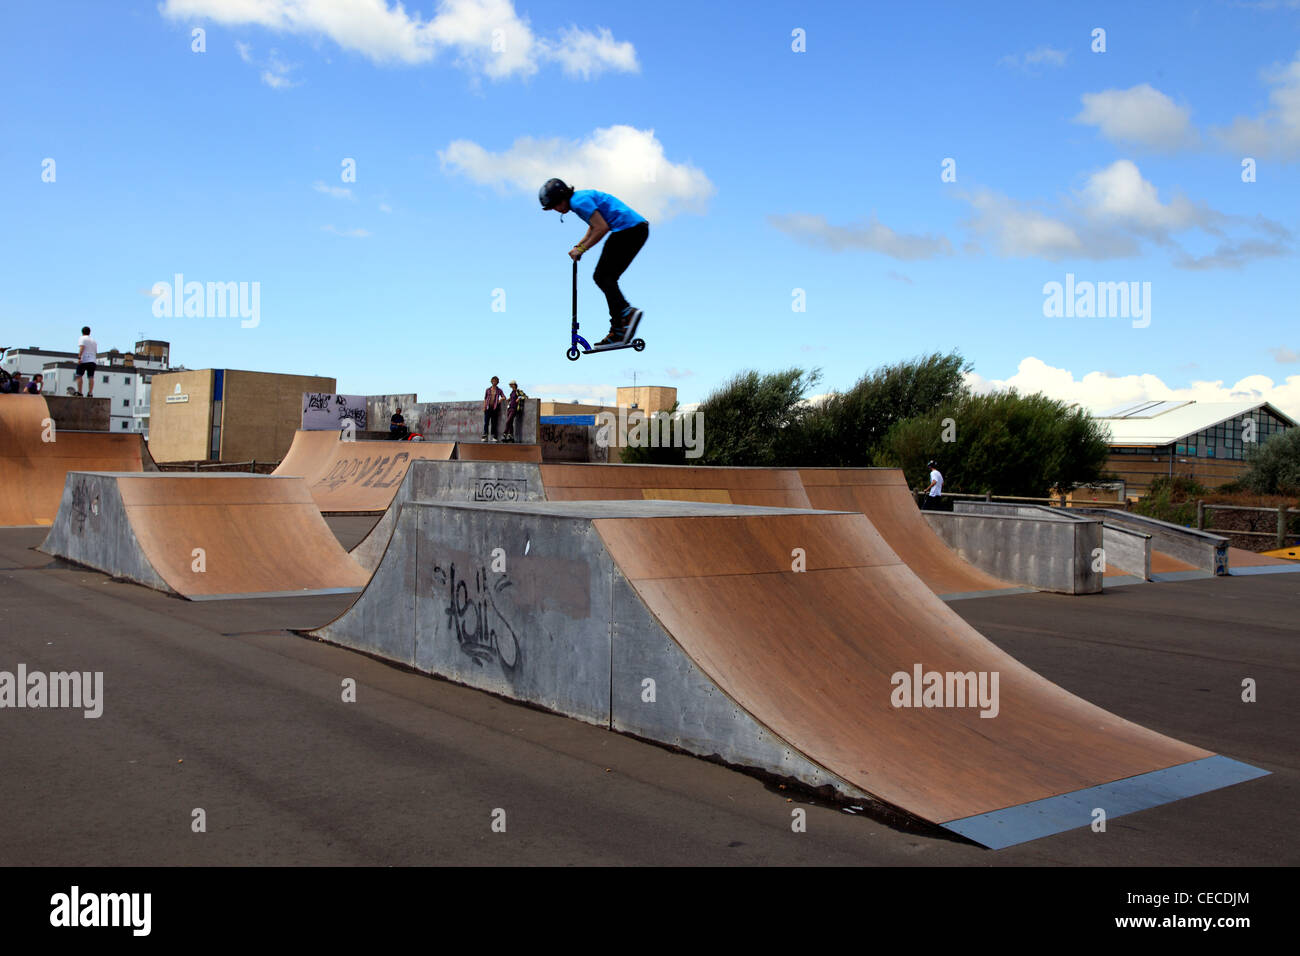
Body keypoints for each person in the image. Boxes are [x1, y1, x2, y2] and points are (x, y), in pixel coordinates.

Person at [539, 178, 648, 346]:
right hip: (634, 230)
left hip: (629, 231)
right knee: (606, 277)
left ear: (561, 198)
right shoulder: (579, 199)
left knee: (603, 276)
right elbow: (593, 226)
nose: (555, 209)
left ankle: (626, 315)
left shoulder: (578, 202)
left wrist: (582, 250)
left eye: (554, 205)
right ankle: (619, 329)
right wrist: (579, 245)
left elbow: (601, 227)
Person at [75, 326, 98, 397]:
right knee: (91, 377)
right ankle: (90, 393)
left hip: (84, 359)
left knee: (79, 375)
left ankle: (80, 392)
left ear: (82, 332)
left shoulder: (82, 338)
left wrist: (79, 357)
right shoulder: (94, 341)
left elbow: (82, 347)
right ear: (89, 332)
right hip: (93, 360)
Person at [482, 376, 505, 442]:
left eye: (496, 381)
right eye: (493, 381)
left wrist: (500, 400)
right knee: (486, 422)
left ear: (497, 382)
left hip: (494, 408)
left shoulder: (499, 390)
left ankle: (493, 436)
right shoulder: (488, 390)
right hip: (488, 408)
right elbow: (485, 399)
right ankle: (485, 436)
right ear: (491, 381)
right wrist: (484, 407)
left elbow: (504, 397)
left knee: (494, 423)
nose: (494, 382)